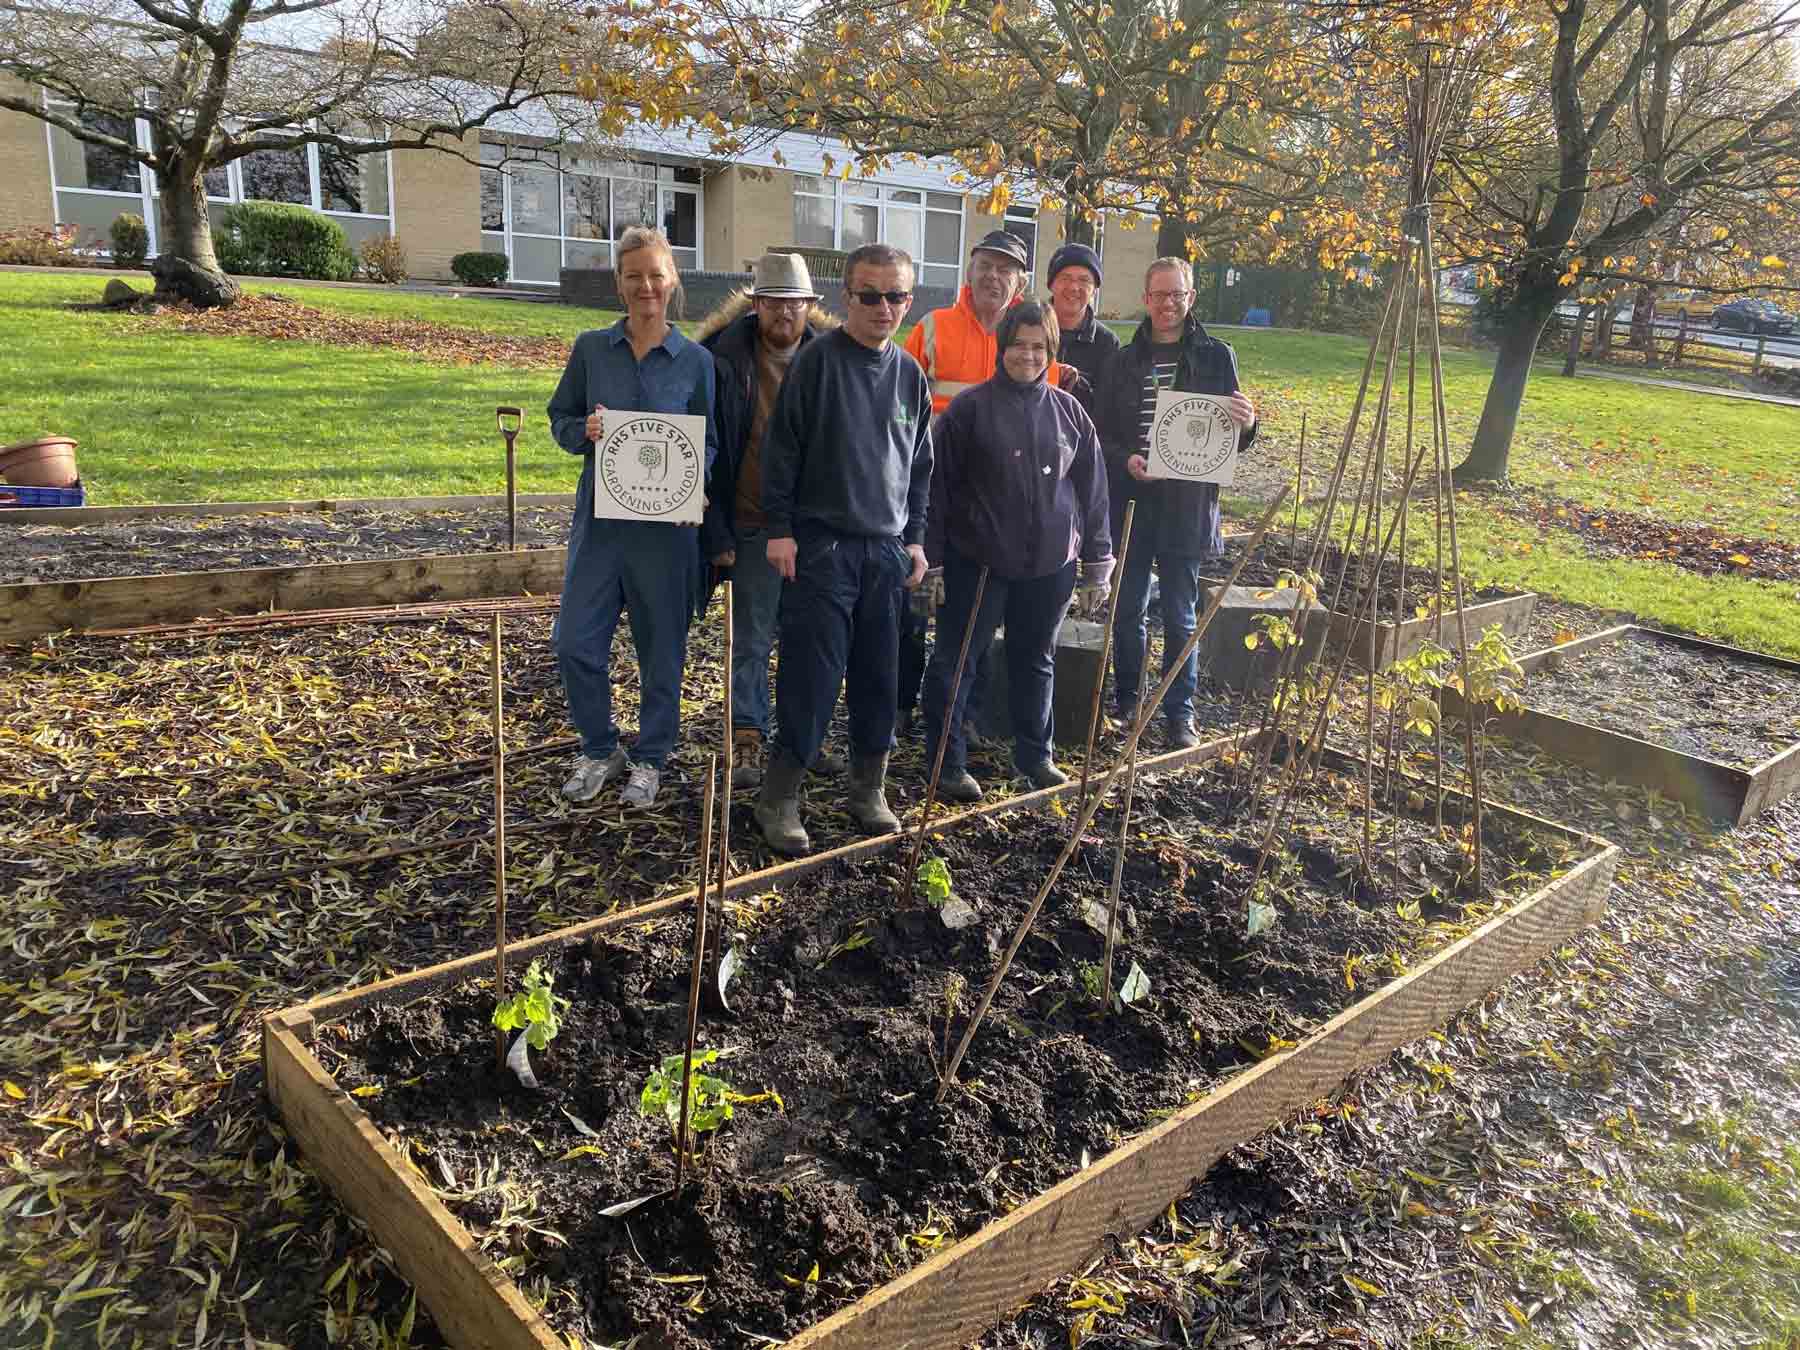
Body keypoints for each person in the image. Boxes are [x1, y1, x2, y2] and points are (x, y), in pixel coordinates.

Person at [754, 243, 934, 856]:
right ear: (846, 298)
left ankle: (867, 787)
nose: (884, 307)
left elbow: (920, 468)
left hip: (885, 553)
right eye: (870, 295)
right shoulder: (818, 364)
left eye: (896, 296)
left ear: (909, 300)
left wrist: (915, 539)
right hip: (822, 548)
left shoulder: (910, 374)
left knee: (879, 676)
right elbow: (782, 450)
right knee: (811, 674)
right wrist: (780, 528)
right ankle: (779, 796)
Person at [546, 226, 719, 808]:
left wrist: (694, 484)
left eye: (655, 274)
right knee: (574, 644)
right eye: (633, 275)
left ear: (672, 280)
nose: (646, 285)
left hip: (665, 537)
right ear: (619, 285)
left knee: (661, 651)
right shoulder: (592, 349)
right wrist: (583, 432)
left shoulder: (695, 361)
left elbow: (710, 442)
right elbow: (561, 418)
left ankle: (649, 758)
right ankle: (600, 748)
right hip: (600, 527)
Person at [921, 302, 1113, 801]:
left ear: (1051, 351)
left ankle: (1035, 756)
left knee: (1036, 659)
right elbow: (937, 489)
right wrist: (934, 560)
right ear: (1001, 347)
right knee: (958, 660)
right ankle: (947, 761)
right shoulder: (968, 410)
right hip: (978, 562)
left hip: (1051, 564)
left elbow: (1092, 490)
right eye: (1018, 345)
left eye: (1038, 347)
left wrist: (1097, 561)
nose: (1027, 356)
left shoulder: (1070, 413)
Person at [1097, 256, 1257, 749]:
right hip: (1134, 503)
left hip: (1187, 504)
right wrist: (1126, 461)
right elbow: (1101, 435)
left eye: (1177, 294)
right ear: (1146, 299)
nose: (1168, 304)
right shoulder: (1122, 362)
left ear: (1191, 297)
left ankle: (1178, 714)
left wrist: (1248, 422)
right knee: (1127, 609)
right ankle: (1128, 704)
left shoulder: (1216, 356)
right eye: (1159, 295)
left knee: (1182, 615)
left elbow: (1234, 436)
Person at [695, 252, 837, 789]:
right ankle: (748, 738)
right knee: (753, 639)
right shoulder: (722, 359)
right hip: (753, 521)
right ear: (756, 305)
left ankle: (802, 738)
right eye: (774, 302)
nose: (784, 313)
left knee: (807, 639)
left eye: (794, 303)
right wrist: (718, 531)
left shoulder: (831, 360)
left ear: (809, 307)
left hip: (816, 529)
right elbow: (706, 450)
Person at [1045, 242, 1123, 537]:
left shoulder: (1106, 343)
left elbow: (1107, 408)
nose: (1073, 287)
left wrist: (1077, 384)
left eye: (1084, 281)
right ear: (1051, 282)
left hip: (1078, 452)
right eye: (1065, 278)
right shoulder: (1028, 323)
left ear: (1094, 289)